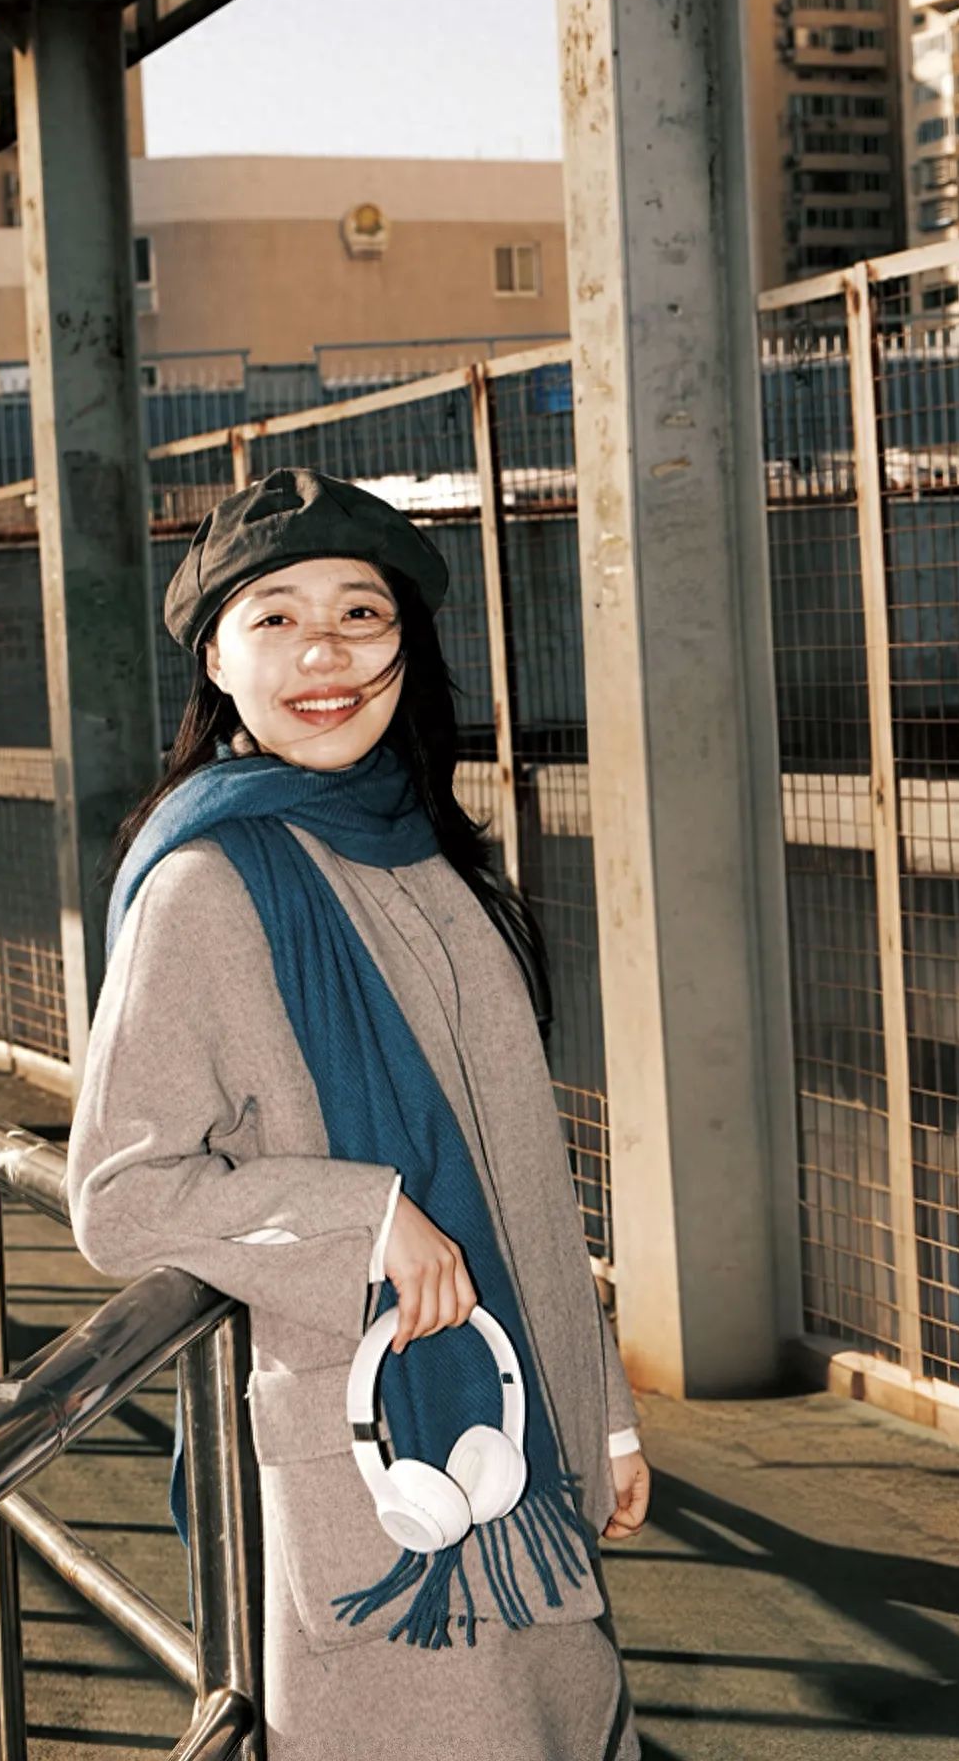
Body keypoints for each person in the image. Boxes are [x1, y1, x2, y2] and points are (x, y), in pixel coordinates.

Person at [67, 467, 650, 1760]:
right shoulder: (210, 882)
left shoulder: (430, 848)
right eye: (272, 617)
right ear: (215, 659)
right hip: (381, 1457)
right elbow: (123, 1195)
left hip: (516, 1427)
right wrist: (363, 1216)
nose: (322, 651)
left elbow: (523, 1181)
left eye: (361, 614)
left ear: (408, 647)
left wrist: (599, 1408)